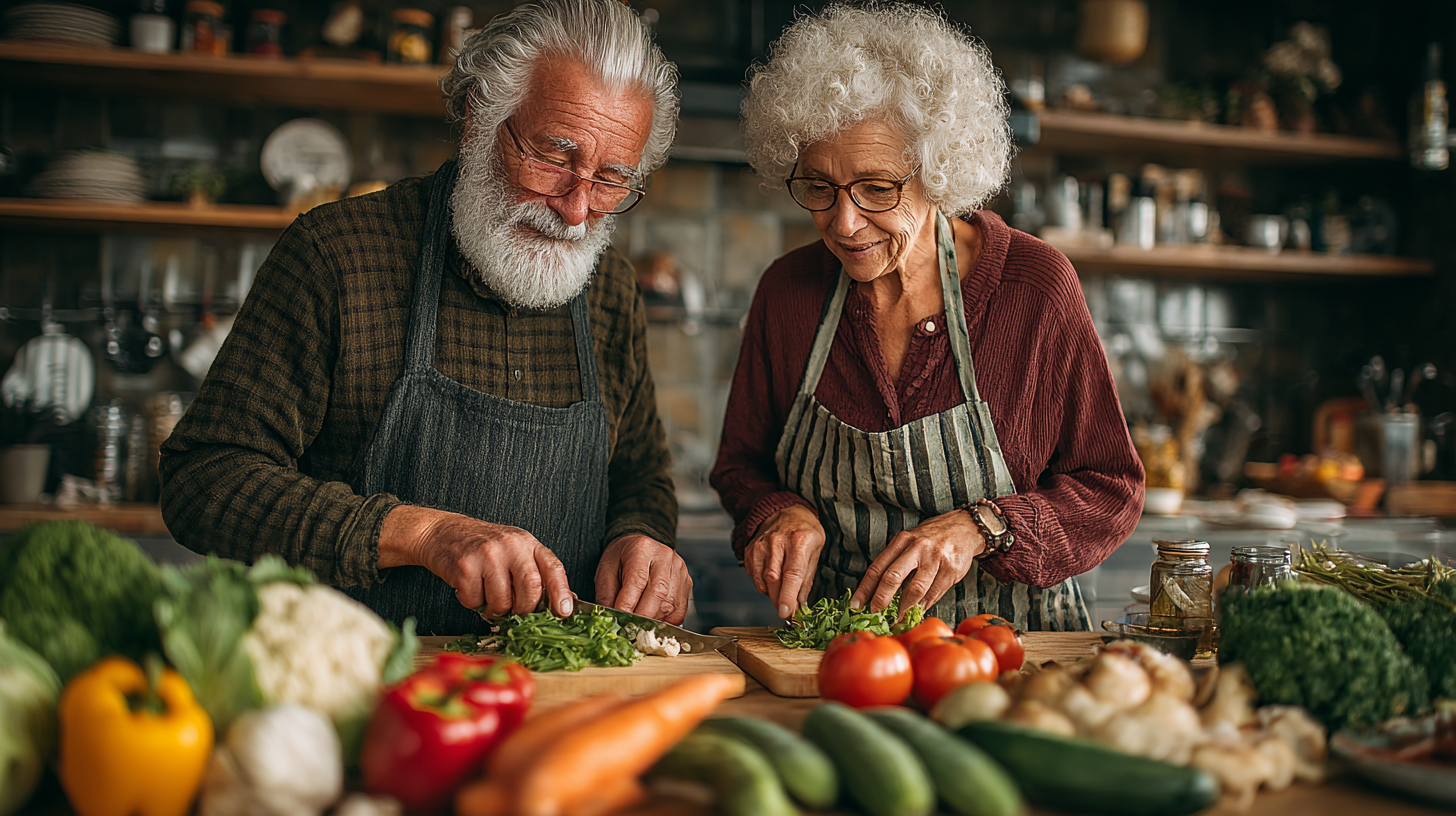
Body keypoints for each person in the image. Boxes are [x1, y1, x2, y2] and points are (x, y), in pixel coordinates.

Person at [160, 0, 692, 634]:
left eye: (610, 179)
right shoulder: (337, 255)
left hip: (561, 680)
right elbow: (204, 479)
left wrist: (642, 537)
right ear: (477, 117)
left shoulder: (611, 290)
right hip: (361, 672)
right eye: (553, 159)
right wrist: (420, 533)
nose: (577, 211)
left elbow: (641, 474)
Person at [710, 3, 1144, 632]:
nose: (843, 223)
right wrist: (777, 511)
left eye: (877, 188)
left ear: (941, 169)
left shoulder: (1034, 288)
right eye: (819, 188)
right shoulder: (788, 294)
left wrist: (985, 526)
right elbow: (739, 466)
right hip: (847, 654)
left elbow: (1110, 488)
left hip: (1012, 651)